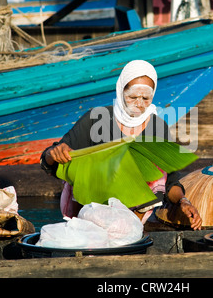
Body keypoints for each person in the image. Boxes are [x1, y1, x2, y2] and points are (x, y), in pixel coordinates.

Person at [40, 60, 202, 230]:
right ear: (121, 90)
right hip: (93, 216)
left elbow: (170, 180)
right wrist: (53, 153)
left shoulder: (157, 127)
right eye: (132, 97)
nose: (139, 104)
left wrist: (184, 201)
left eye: (145, 98)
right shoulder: (95, 119)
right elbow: (48, 163)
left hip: (137, 219)